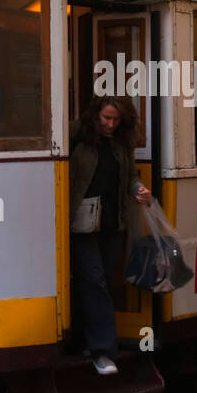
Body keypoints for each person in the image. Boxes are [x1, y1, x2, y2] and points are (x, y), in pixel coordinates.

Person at [69, 96, 151, 376]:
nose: (110, 124)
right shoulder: (76, 136)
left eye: (115, 120)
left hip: (111, 224)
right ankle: (103, 351)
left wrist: (138, 188)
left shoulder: (121, 143)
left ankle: (82, 340)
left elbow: (129, 177)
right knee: (94, 281)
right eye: (106, 118)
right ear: (95, 115)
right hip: (81, 225)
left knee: (99, 283)